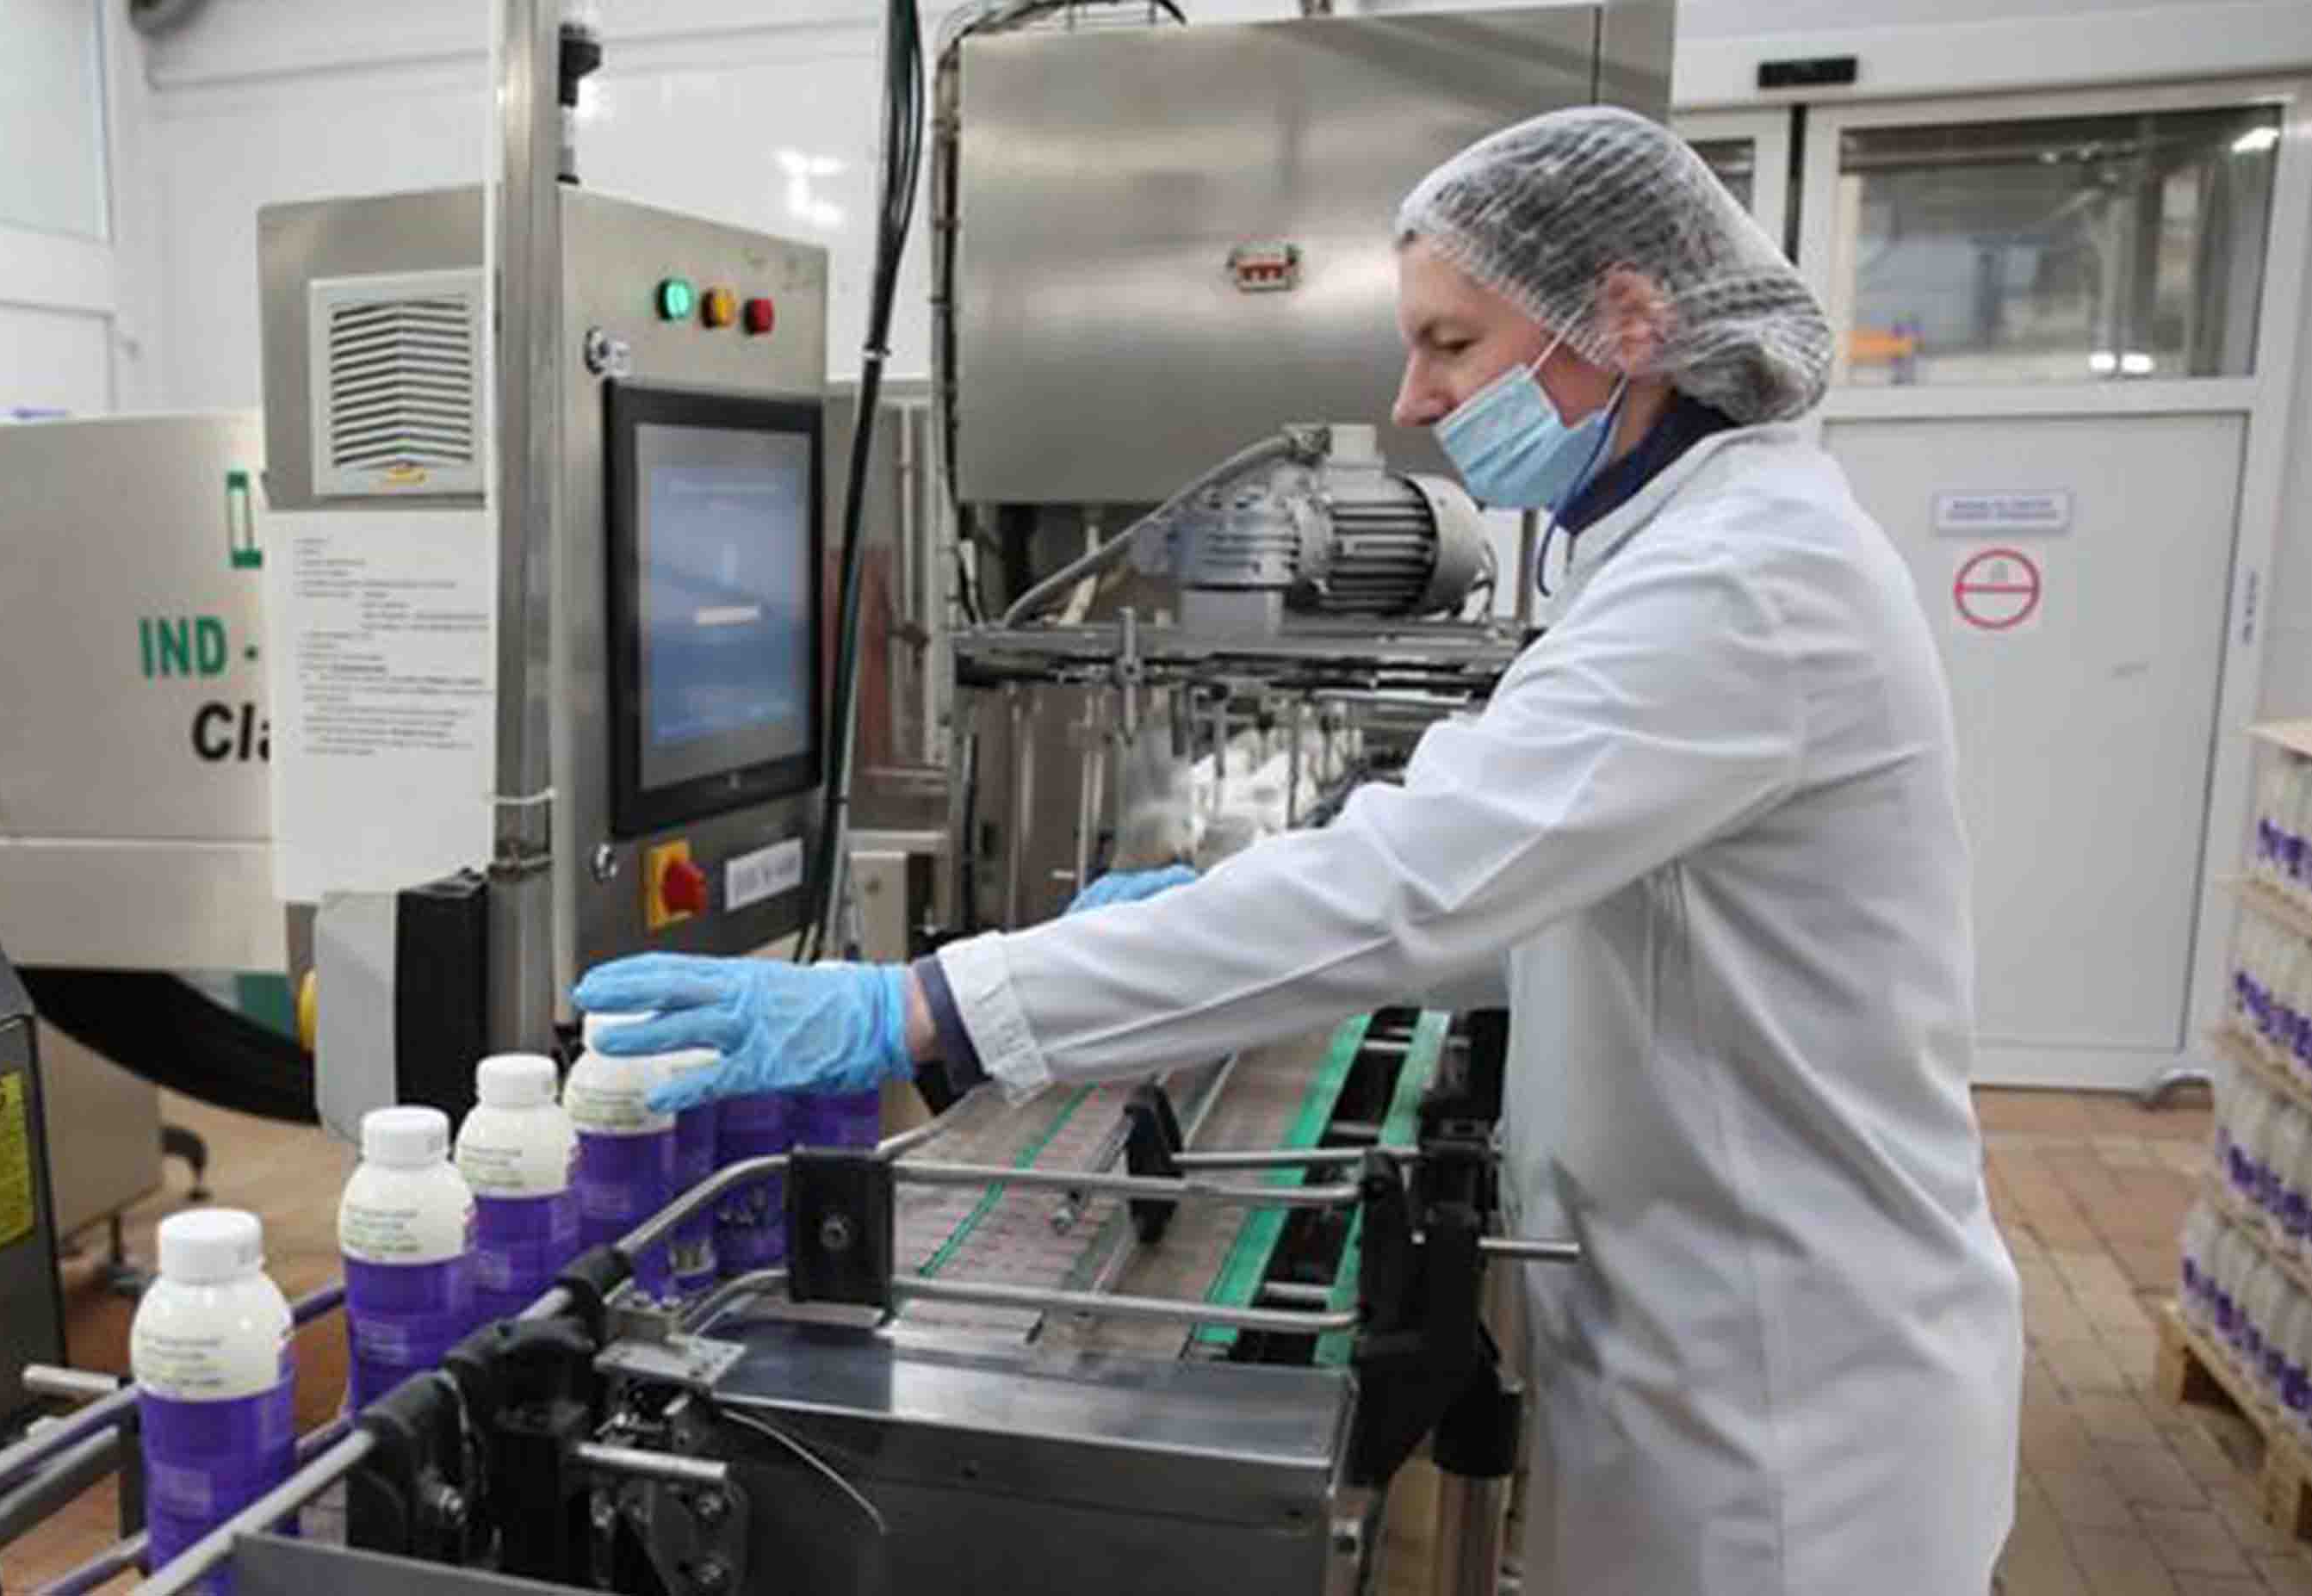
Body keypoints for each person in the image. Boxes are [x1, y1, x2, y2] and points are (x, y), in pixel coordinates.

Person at [574, 106, 2019, 1594]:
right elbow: (1538, 903)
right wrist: (1206, 908)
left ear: (1628, 318)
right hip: (1690, 1339)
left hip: (1788, 1415)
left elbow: (1409, 885)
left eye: (1450, 343)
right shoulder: (1671, 547)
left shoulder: (1743, 580)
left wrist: (924, 1005)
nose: (1414, 397)